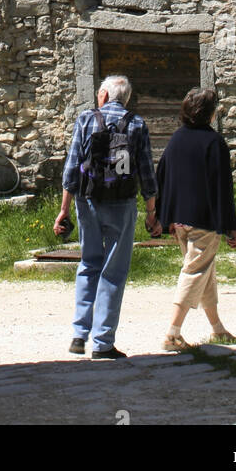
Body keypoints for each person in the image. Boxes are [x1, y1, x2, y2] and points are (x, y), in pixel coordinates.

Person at [54, 74, 158, 359]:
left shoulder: (86, 120)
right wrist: (151, 213)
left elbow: (72, 167)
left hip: (88, 201)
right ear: (125, 99)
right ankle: (102, 343)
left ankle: (78, 334)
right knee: (113, 271)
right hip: (122, 203)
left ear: (103, 95)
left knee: (88, 263)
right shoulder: (136, 124)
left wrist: (64, 209)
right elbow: (147, 173)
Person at [155, 86, 236, 351]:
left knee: (205, 271)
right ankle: (173, 332)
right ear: (210, 114)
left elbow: (163, 177)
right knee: (194, 272)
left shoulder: (177, 139)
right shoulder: (214, 143)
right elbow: (222, 187)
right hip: (204, 220)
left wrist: (165, 216)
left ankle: (217, 328)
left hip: (180, 220)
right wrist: (231, 227)